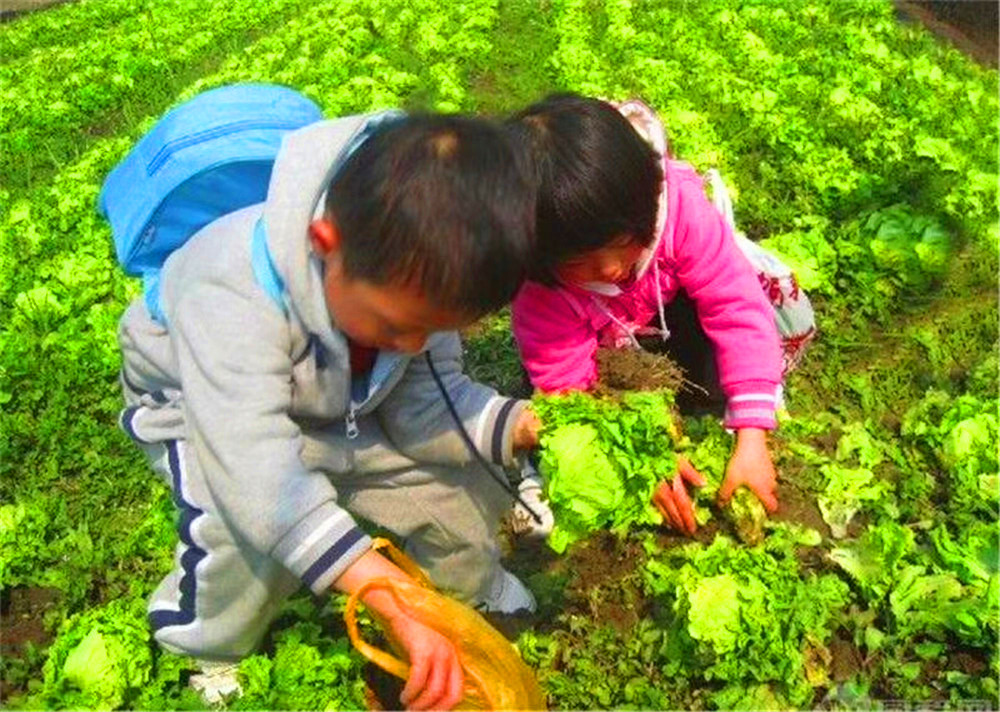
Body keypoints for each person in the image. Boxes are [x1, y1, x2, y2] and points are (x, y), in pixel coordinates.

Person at [116, 111, 542, 711]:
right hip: (205, 412)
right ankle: (209, 645)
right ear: (326, 247)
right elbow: (257, 474)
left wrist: (517, 425)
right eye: (399, 327)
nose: (414, 345)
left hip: (336, 404)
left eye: (434, 331)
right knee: (241, 531)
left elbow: (425, 412)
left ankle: (475, 590)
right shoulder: (231, 288)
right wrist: (383, 590)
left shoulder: (414, 292)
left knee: (454, 490)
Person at [507, 94, 815, 537]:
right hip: (600, 335)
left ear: (646, 205)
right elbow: (564, 383)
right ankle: (542, 470)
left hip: (671, 306)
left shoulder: (680, 213)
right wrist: (642, 459)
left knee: (731, 357)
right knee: (558, 410)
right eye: (581, 264)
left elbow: (735, 308)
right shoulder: (539, 287)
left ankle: (756, 396)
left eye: (622, 242)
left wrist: (752, 436)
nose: (611, 270)